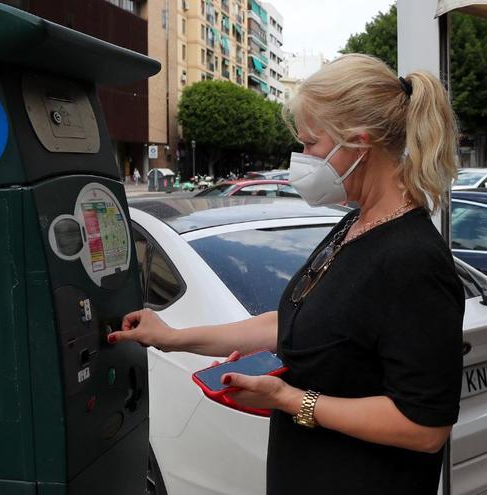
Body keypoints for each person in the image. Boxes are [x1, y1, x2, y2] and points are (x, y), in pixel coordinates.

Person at [108, 53, 464, 495]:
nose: (301, 158)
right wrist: (173, 337)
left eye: (311, 143)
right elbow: (294, 322)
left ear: (358, 142)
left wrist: (289, 399)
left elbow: (424, 427)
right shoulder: (354, 226)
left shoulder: (413, 259)